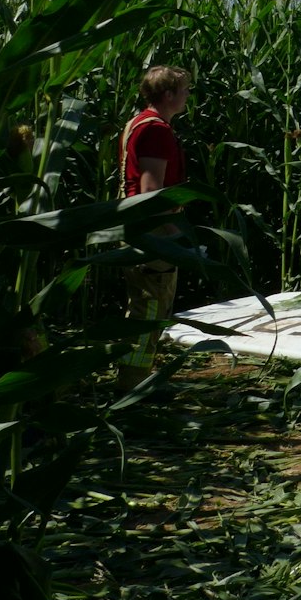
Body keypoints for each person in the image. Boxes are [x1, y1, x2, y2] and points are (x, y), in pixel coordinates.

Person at [118, 65, 192, 391]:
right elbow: (152, 193)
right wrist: (173, 232)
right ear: (168, 95)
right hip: (152, 233)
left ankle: (137, 376)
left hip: (139, 229)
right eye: (184, 90)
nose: (188, 95)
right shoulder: (156, 131)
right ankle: (133, 386)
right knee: (150, 307)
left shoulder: (138, 123)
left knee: (145, 306)